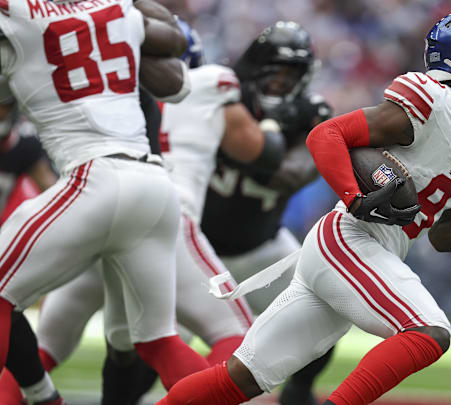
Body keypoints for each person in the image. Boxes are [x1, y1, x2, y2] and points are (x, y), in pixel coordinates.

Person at [157, 8, 451, 405]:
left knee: (239, 380)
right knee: (428, 331)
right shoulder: (430, 98)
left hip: (366, 252)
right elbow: (326, 135)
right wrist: (356, 197)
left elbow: (443, 234)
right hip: (349, 238)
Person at [9, 18, 286, 405]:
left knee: (50, 345)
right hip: (159, 213)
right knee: (224, 337)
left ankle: (38, 395)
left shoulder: (94, 78)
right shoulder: (209, 83)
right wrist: (276, 124)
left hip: (86, 203)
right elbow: (261, 152)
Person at [0, 0, 210, 403]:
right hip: (152, 183)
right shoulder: (120, 7)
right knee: (158, 342)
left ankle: (43, 397)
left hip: (90, 177)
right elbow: (177, 81)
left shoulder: (19, 13)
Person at [200, 21, 333, 405]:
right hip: (199, 252)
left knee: (323, 308)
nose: (282, 81)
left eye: (292, 72)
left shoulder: (311, 111)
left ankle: (299, 394)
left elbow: (291, 176)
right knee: (155, 341)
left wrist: (250, 148)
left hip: (263, 248)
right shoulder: (222, 98)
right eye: (275, 69)